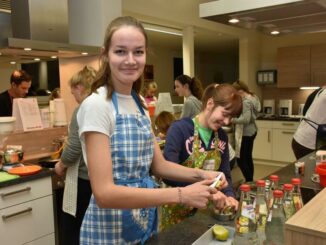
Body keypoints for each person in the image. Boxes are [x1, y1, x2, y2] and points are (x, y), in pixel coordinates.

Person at [77, 16, 230, 245]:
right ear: (105, 54)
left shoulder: (138, 101)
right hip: (108, 231)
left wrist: (204, 175)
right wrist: (181, 195)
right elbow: (104, 193)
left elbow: (159, 165)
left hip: (143, 224)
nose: (130, 60)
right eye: (120, 51)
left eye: (138, 52)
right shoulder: (97, 106)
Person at [161, 83, 242, 229]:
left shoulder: (221, 137)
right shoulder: (180, 129)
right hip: (176, 213)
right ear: (210, 103)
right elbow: (167, 175)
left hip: (204, 214)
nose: (227, 122)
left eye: (231, 117)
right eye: (225, 114)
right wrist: (208, 191)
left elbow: (225, 176)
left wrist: (230, 195)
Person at [54, 66, 96, 245]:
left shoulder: (82, 109)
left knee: (74, 231)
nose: (73, 95)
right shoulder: (104, 104)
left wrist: (60, 165)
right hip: (98, 179)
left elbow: (74, 149)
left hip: (84, 181)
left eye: (73, 91)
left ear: (80, 87)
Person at [232, 80, 261, 182]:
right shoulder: (253, 97)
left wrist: (232, 120)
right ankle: (250, 181)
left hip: (246, 133)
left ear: (240, 91)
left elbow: (246, 119)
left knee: (241, 160)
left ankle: (249, 181)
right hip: (252, 131)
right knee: (248, 158)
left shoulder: (246, 101)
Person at [292, 87, 326, 159]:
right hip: (309, 142)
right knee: (312, 168)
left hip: (302, 137)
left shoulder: (322, 90)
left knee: (311, 168)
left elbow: (305, 110)